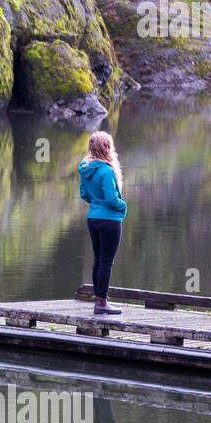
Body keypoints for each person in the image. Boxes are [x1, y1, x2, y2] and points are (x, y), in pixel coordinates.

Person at [78, 131, 127, 315]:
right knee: (106, 261)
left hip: (93, 218)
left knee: (98, 260)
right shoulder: (106, 171)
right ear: (107, 148)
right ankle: (102, 302)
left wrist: (96, 205)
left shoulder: (86, 168)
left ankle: (99, 299)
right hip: (109, 220)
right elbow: (112, 198)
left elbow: (84, 194)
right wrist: (123, 208)